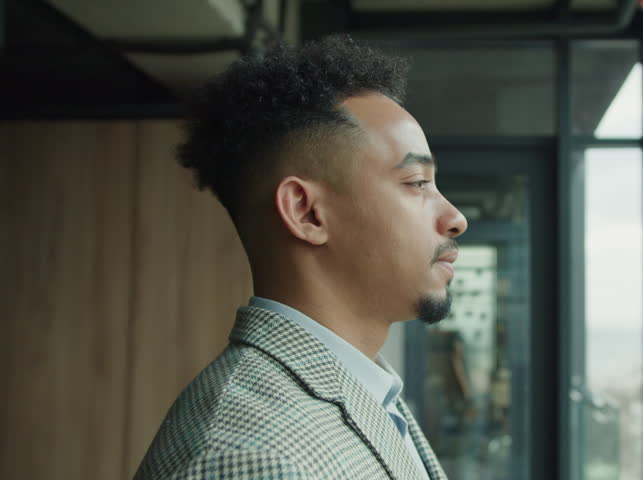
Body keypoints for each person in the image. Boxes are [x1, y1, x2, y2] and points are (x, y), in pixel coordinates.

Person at [134, 35, 467, 480]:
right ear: (307, 212)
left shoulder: (364, 390)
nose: (455, 218)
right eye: (416, 182)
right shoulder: (251, 455)